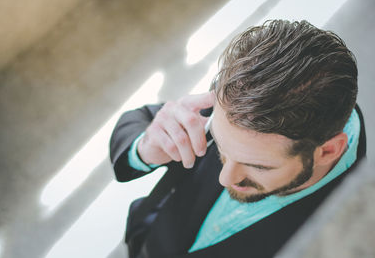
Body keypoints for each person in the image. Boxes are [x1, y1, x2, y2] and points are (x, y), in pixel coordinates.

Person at [109, 20, 366, 258]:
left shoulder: (343, 234)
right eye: (220, 146)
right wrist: (145, 146)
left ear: (329, 151)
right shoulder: (237, 102)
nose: (225, 178)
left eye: (257, 166)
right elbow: (140, 119)